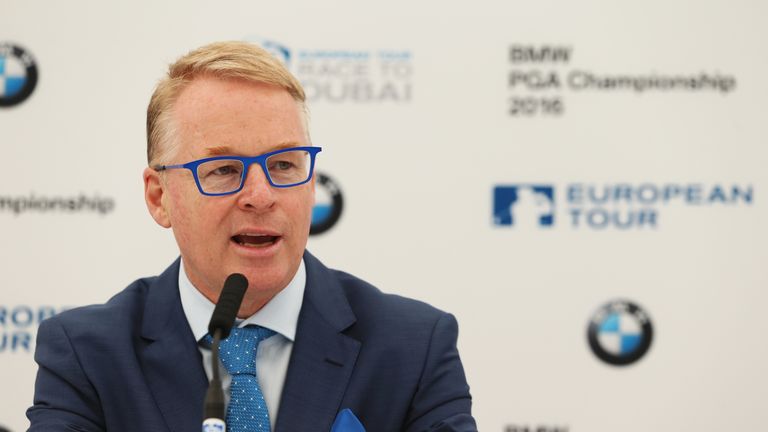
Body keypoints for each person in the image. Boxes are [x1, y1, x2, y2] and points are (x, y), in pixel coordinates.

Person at [27, 41, 476, 432]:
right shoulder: (88, 355)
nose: (260, 196)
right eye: (223, 170)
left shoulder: (413, 346)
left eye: (283, 165)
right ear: (159, 196)